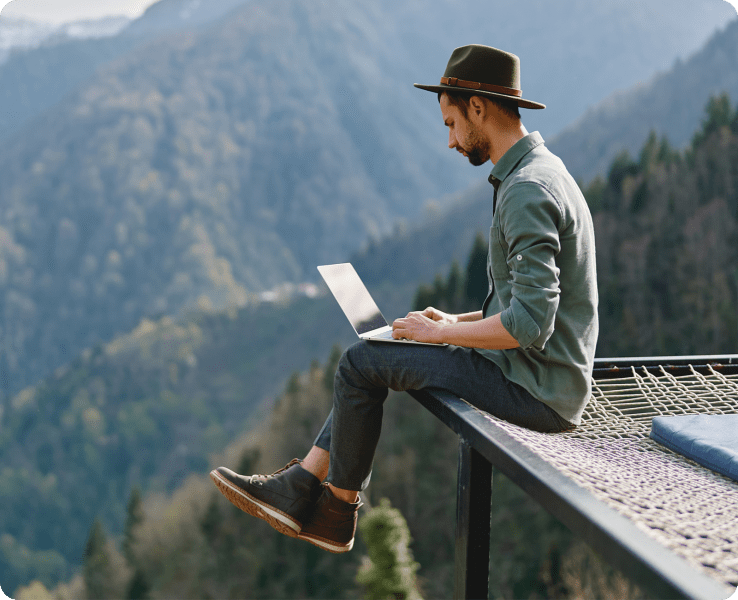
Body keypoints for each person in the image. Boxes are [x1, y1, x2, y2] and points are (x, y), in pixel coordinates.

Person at [210, 44, 598, 554]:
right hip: (539, 376)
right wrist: (452, 320)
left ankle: (333, 509)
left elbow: (529, 325)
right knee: (375, 354)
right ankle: (305, 487)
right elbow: (524, 302)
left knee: (360, 363)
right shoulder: (542, 172)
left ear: (477, 107)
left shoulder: (527, 188)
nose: (452, 140)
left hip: (537, 391)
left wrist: (441, 335)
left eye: (451, 124)